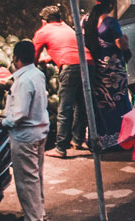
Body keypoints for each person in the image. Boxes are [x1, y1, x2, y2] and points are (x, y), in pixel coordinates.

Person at [2, 40, 51, 221]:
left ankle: (33, 219)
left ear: (16, 58)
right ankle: (39, 212)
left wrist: (3, 122)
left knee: (26, 179)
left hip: (25, 135)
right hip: (40, 131)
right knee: (36, 175)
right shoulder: (37, 74)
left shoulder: (22, 81)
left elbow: (20, 114)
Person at [34, 5, 90, 159]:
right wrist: (50, 58)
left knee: (65, 108)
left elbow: (32, 58)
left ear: (44, 21)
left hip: (70, 68)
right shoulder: (67, 28)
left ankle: (60, 148)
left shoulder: (44, 31)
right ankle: (77, 141)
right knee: (82, 105)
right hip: (87, 64)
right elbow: (69, 49)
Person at [86, 0, 134, 149]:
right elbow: (121, 44)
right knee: (119, 102)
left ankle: (103, 138)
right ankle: (120, 139)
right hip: (114, 71)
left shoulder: (88, 21)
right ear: (111, 5)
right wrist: (125, 39)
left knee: (103, 104)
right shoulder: (111, 22)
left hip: (98, 69)